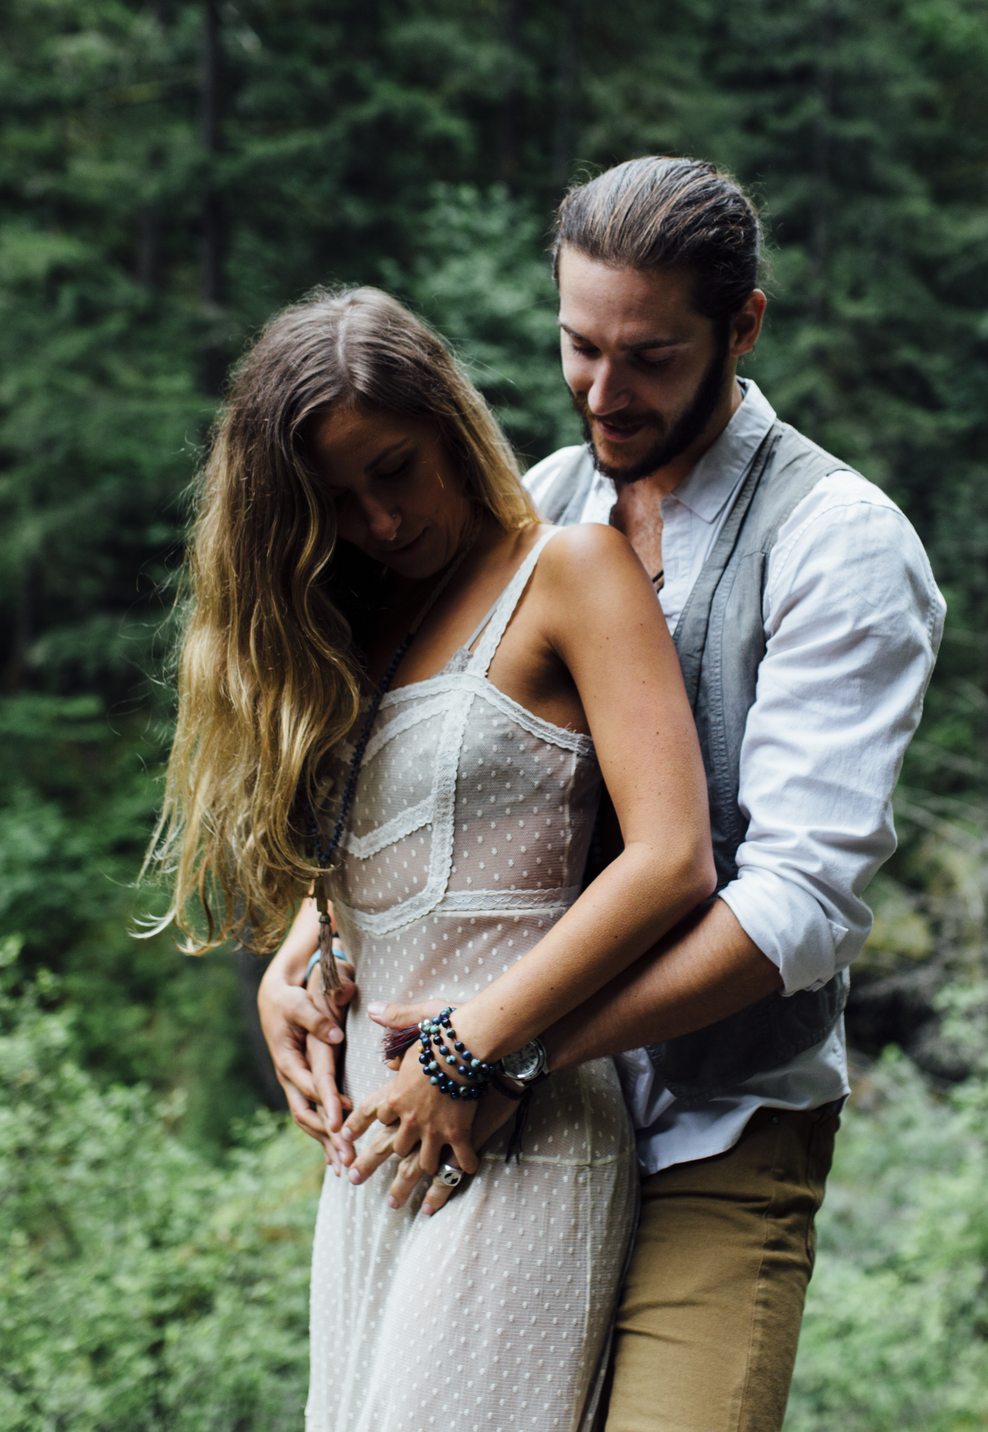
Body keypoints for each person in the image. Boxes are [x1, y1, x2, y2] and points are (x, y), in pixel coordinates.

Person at [265, 157, 946, 1432]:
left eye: (650, 355)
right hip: (499, 1125)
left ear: (741, 325)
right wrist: (308, 945)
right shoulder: (543, 500)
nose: (603, 391)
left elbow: (796, 908)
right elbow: (446, 763)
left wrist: (503, 1045)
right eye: (580, 346)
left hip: (716, 1128)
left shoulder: (841, 542)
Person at [143, 285, 718, 1432]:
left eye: (394, 469)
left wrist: (469, 1046)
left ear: (449, 423)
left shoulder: (569, 570)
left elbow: (671, 859)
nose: (381, 519)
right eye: (337, 501)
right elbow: (387, 849)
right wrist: (297, 957)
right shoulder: (358, 620)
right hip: (375, 1133)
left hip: (516, 1114)